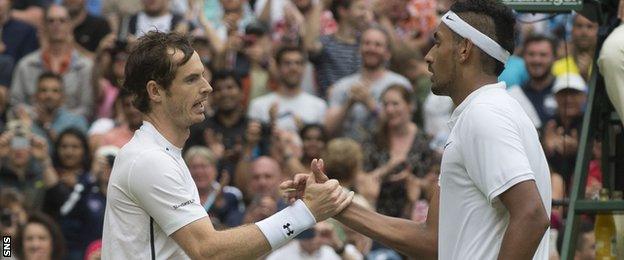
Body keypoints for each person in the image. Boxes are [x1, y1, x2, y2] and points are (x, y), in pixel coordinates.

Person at [282, 0, 552, 259]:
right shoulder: (484, 113)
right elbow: (432, 242)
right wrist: (335, 203)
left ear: (464, 50)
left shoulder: (485, 114)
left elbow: (530, 215)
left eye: (438, 42)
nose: (428, 56)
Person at [101, 31, 354, 259]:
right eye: (191, 79)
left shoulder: (161, 154)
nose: (207, 87)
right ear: (155, 92)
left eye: (203, 75)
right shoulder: (149, 159)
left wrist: (300, 209)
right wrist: (305, 213)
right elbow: (209, 251)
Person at [325, 26, 411, 142]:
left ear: (387, 53)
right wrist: (349, 103)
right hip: (349, 152)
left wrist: (369, 103)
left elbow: (404, 127)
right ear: (359, 49)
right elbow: (327, 130)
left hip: (385, 151)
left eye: (378, 45)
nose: (371, 48)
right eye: (367, 43)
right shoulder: (342, 86)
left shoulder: (400, 84)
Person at [508, 34, 558, 129]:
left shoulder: (565, 92)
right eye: (531, 54)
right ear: (523, 57)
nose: (537, 60)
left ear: (554, 58)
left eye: (543, 55)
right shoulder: (513, 95)